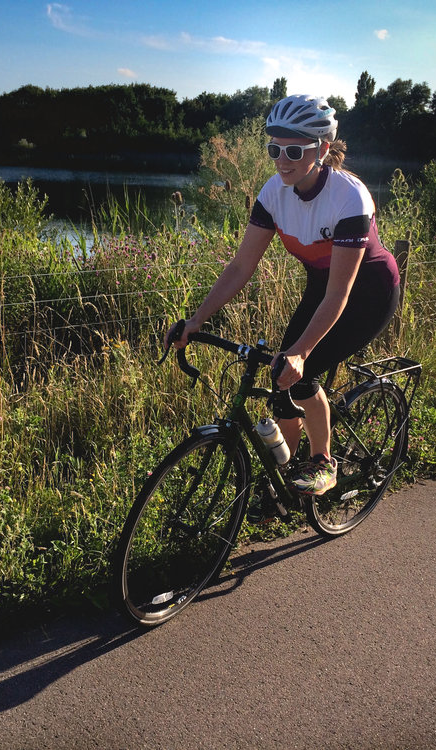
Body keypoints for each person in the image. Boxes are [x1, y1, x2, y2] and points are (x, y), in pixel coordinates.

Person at [170, 94, 401, 496]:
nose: (281, 159)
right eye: (273, 148)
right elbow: (241, 267)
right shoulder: (274, 193)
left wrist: (302, 352)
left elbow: (341, 291)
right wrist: (197, 319)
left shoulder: (349, 198)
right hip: (322, 285)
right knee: (281, 379)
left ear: (323, 149)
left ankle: (323, 462)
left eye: (293, 150)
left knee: (302, 371)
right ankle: (283, 479)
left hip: (368, 292)